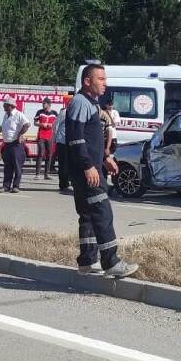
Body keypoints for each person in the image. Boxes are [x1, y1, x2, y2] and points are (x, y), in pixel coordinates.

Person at [67, 64, 138, 279]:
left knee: (88, 214)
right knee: (102, 212)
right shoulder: (80, 102)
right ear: (87, 81)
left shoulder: (91, 103)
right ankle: (112, 262)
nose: (104, 83)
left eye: (105, 79)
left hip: (91, 167)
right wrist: (88, 165)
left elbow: (91, 139)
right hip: (86, 170)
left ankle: (88, 261)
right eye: (100, 79)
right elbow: (76, 138)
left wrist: (105, 158)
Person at [0, 97, 30, 193]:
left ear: (11, 106)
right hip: (7, 144)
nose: (3, 106)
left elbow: (27, 124)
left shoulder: (19, 115)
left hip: (16, 145)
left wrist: (20, 134)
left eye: (5, 105)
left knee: (17, 166)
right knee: (7, 166)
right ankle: (6, 186)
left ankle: (16, 186)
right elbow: (2, 127)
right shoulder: (6, 116)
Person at [34, 98, 58, 180]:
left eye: (44, 103)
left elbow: (57, 123)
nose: (43, 105)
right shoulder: (39, 112)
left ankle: (46, 174)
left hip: (50, 136)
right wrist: (41, 124)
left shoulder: (54, 113)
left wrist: (52, 125)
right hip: (41, 136)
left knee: (49, 155)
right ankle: (37, 174)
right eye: (42, 103)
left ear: (48, 104)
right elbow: (35, 122)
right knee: (40, 153)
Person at [54, 106, 70, 192]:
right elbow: (56, 125)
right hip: (62, 141)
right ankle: (63, 184)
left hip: (72, 142)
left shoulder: (78, 112)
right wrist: (54, 139)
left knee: (70, 164)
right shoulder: (63, 112)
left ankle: (67, 182)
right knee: (63, 164)